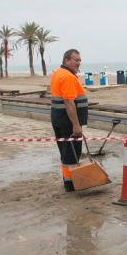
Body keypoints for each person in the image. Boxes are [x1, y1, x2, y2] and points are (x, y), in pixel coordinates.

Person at [49, 49, 89, 192]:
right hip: (67, 122)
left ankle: (68, 181)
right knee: (72, 152)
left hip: (58, 119)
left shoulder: (57, 73)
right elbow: (69, 103)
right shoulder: (67, 77)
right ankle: (70, 183)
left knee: (65, 151)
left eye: (79, 60)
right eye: (75, 60)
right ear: (67, 60)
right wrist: (76, 126)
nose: (78, 63)